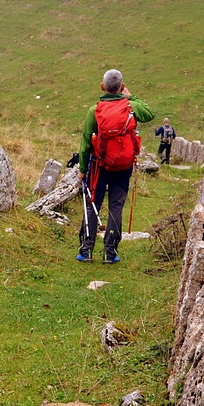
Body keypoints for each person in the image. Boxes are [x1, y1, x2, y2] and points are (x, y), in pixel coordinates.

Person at [76, 69, 155, 264]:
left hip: (98, 167)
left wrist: (82, 170)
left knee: (92, 204)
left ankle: (86, 251)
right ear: (121, 86)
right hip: (123, 167)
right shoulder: (132, 106)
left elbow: (86, 143)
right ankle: (110, 253)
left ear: (102, 87)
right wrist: (129, 94)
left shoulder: (94, 111)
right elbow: (150, 113)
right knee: (116, 206)